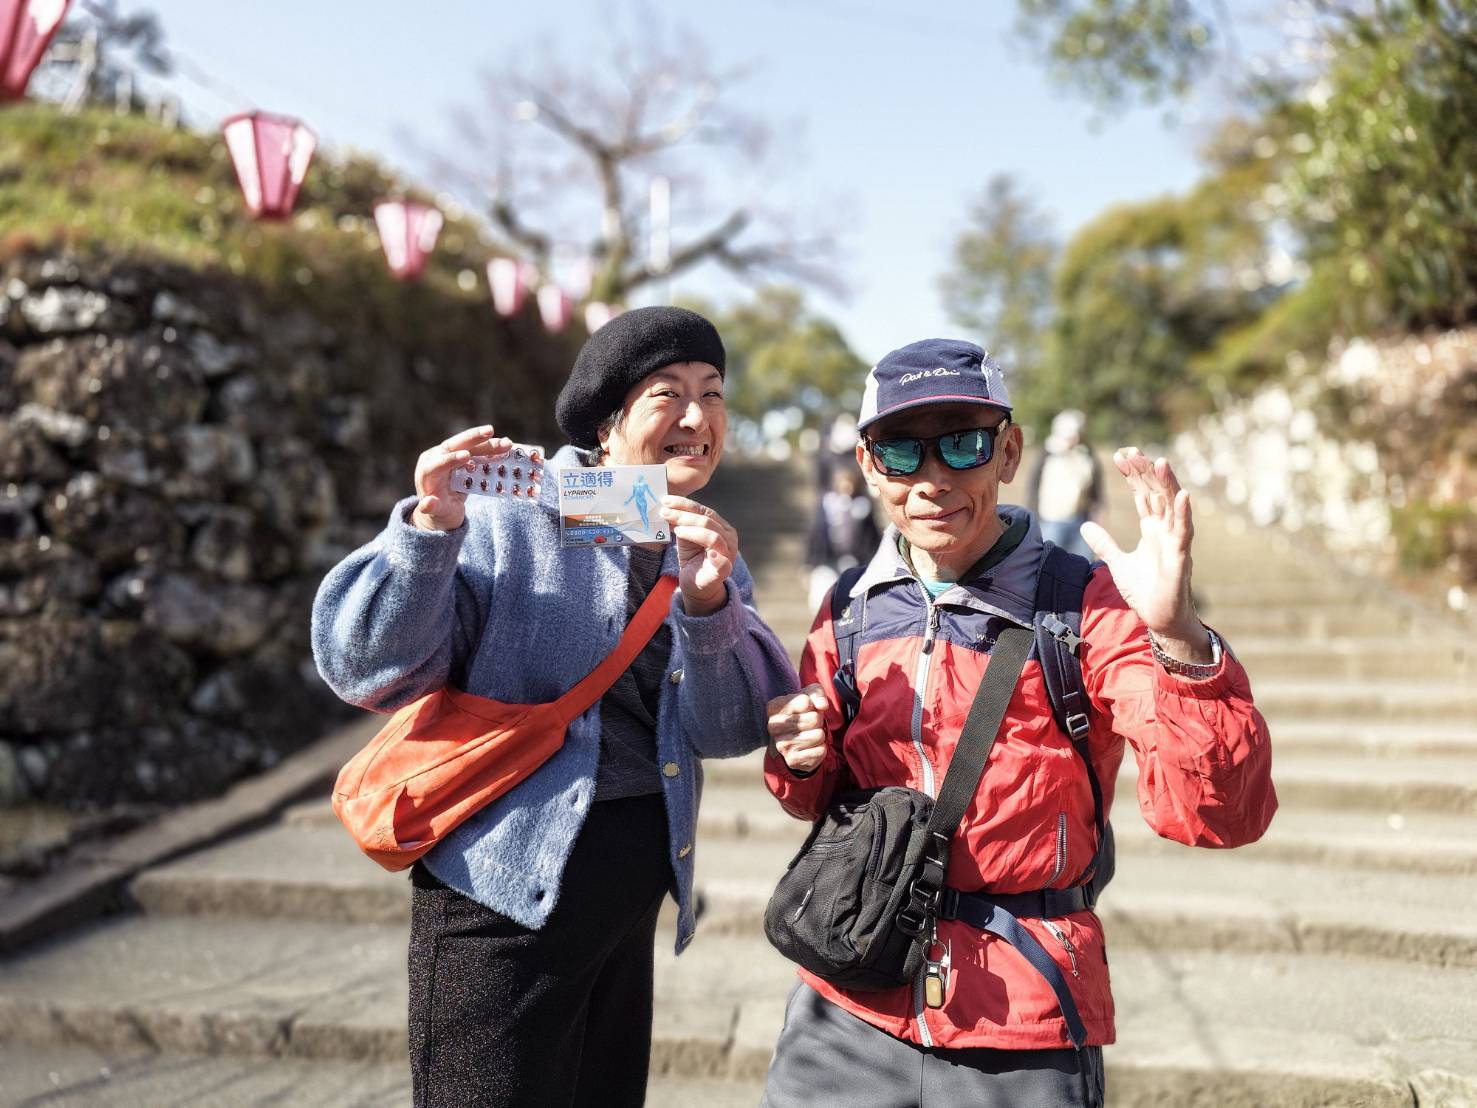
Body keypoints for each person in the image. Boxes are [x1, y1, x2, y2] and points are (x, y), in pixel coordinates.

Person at [760, 338, 1276, 1107]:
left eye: (961, 444)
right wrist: (798, 761)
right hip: (846, 1002)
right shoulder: (847, 609)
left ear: (1008, 451)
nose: (931, 480)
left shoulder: (1085, 606)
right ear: (869, 466)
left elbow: (1216, 813)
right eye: (901, 451)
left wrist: (1176, 638)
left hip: (1023, 1014)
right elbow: (817, 795)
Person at [311, 306, 797, 1108]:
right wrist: (431, 527)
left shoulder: (703, 546)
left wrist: (711, 609)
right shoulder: (512, 515)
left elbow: (728, 729)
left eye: (712, 395)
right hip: (501, 894)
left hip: (632, 889)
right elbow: (366, 667)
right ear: (607, 425)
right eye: (665, 394)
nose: (696, 417)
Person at [803, 460, 882, 612]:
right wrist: (808, 563)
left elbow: (873, 539)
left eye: (850, 482)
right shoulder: (826, 504)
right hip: (827, 560)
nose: (847, 487)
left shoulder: (863, 506)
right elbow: (814, 535)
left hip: (856, 562)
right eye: (843, 482)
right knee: (820, 600)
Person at [1026, 407, 1102, 559]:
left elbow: (1095, 487)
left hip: (1080, 522)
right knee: (1049, 566)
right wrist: (1034, 518)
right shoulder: (1047, 453)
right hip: (1051, 522)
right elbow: (1033, 486)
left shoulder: (1086, 455)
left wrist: (1098, 511)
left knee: (1083, 567)